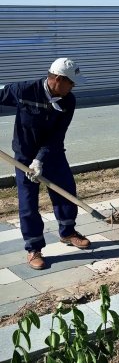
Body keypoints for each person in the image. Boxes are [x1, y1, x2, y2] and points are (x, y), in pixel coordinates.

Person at [0, 58, 91, 269]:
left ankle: (67, 232)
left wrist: (40, 159)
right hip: (23, 155)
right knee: (28, 202)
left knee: (65, 191)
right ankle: (34, 249)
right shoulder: (24, 90)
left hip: (52, 154)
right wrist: (31, 160)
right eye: (72, 82)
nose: (73, 87)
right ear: (58, 79)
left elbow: (57, 136)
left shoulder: (68, 101)